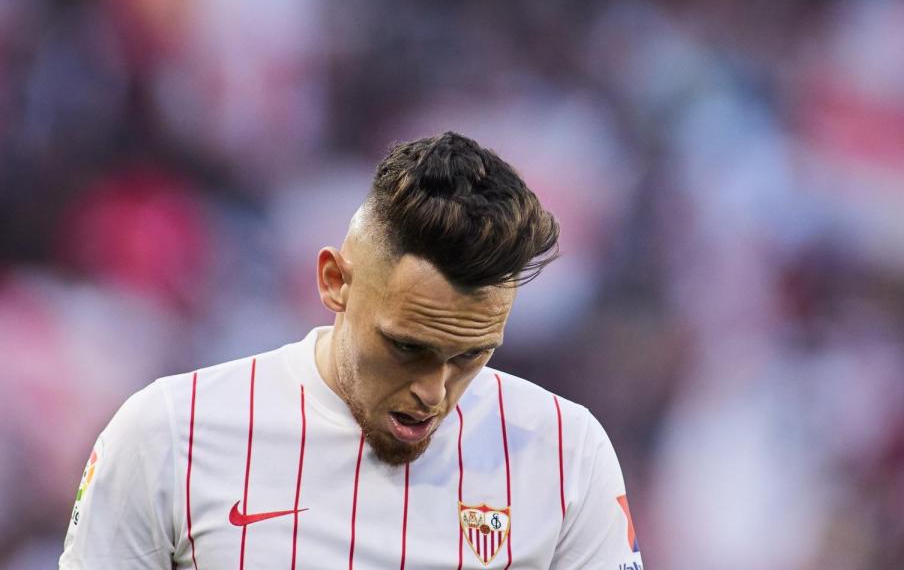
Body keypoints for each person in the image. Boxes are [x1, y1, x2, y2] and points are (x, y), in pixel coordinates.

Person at [59, 131, 644, 569]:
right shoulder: (165, 434)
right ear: (335, 281)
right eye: (408, 346)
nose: (433, 392)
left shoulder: (567, 454)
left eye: (470, 356)